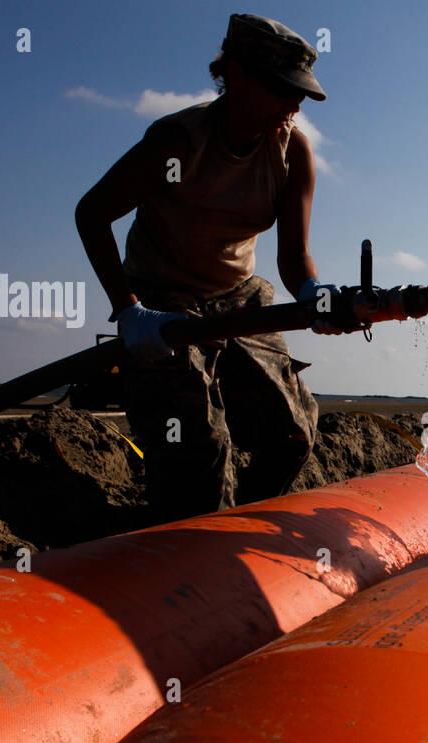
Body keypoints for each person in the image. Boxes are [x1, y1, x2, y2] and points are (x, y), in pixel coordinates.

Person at [75, 14, 344, 523]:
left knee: (292, 434)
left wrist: (313, 292)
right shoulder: (179, 141)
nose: (296, 104)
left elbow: (292, 257)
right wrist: (130, 312)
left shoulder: (293, 149)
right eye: (283, 89)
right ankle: (183, 547)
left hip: (238, 296)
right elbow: (91, 213)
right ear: (236, 75)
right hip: (163, 299)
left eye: (301, 92)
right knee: (197, 444)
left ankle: (235, 538)